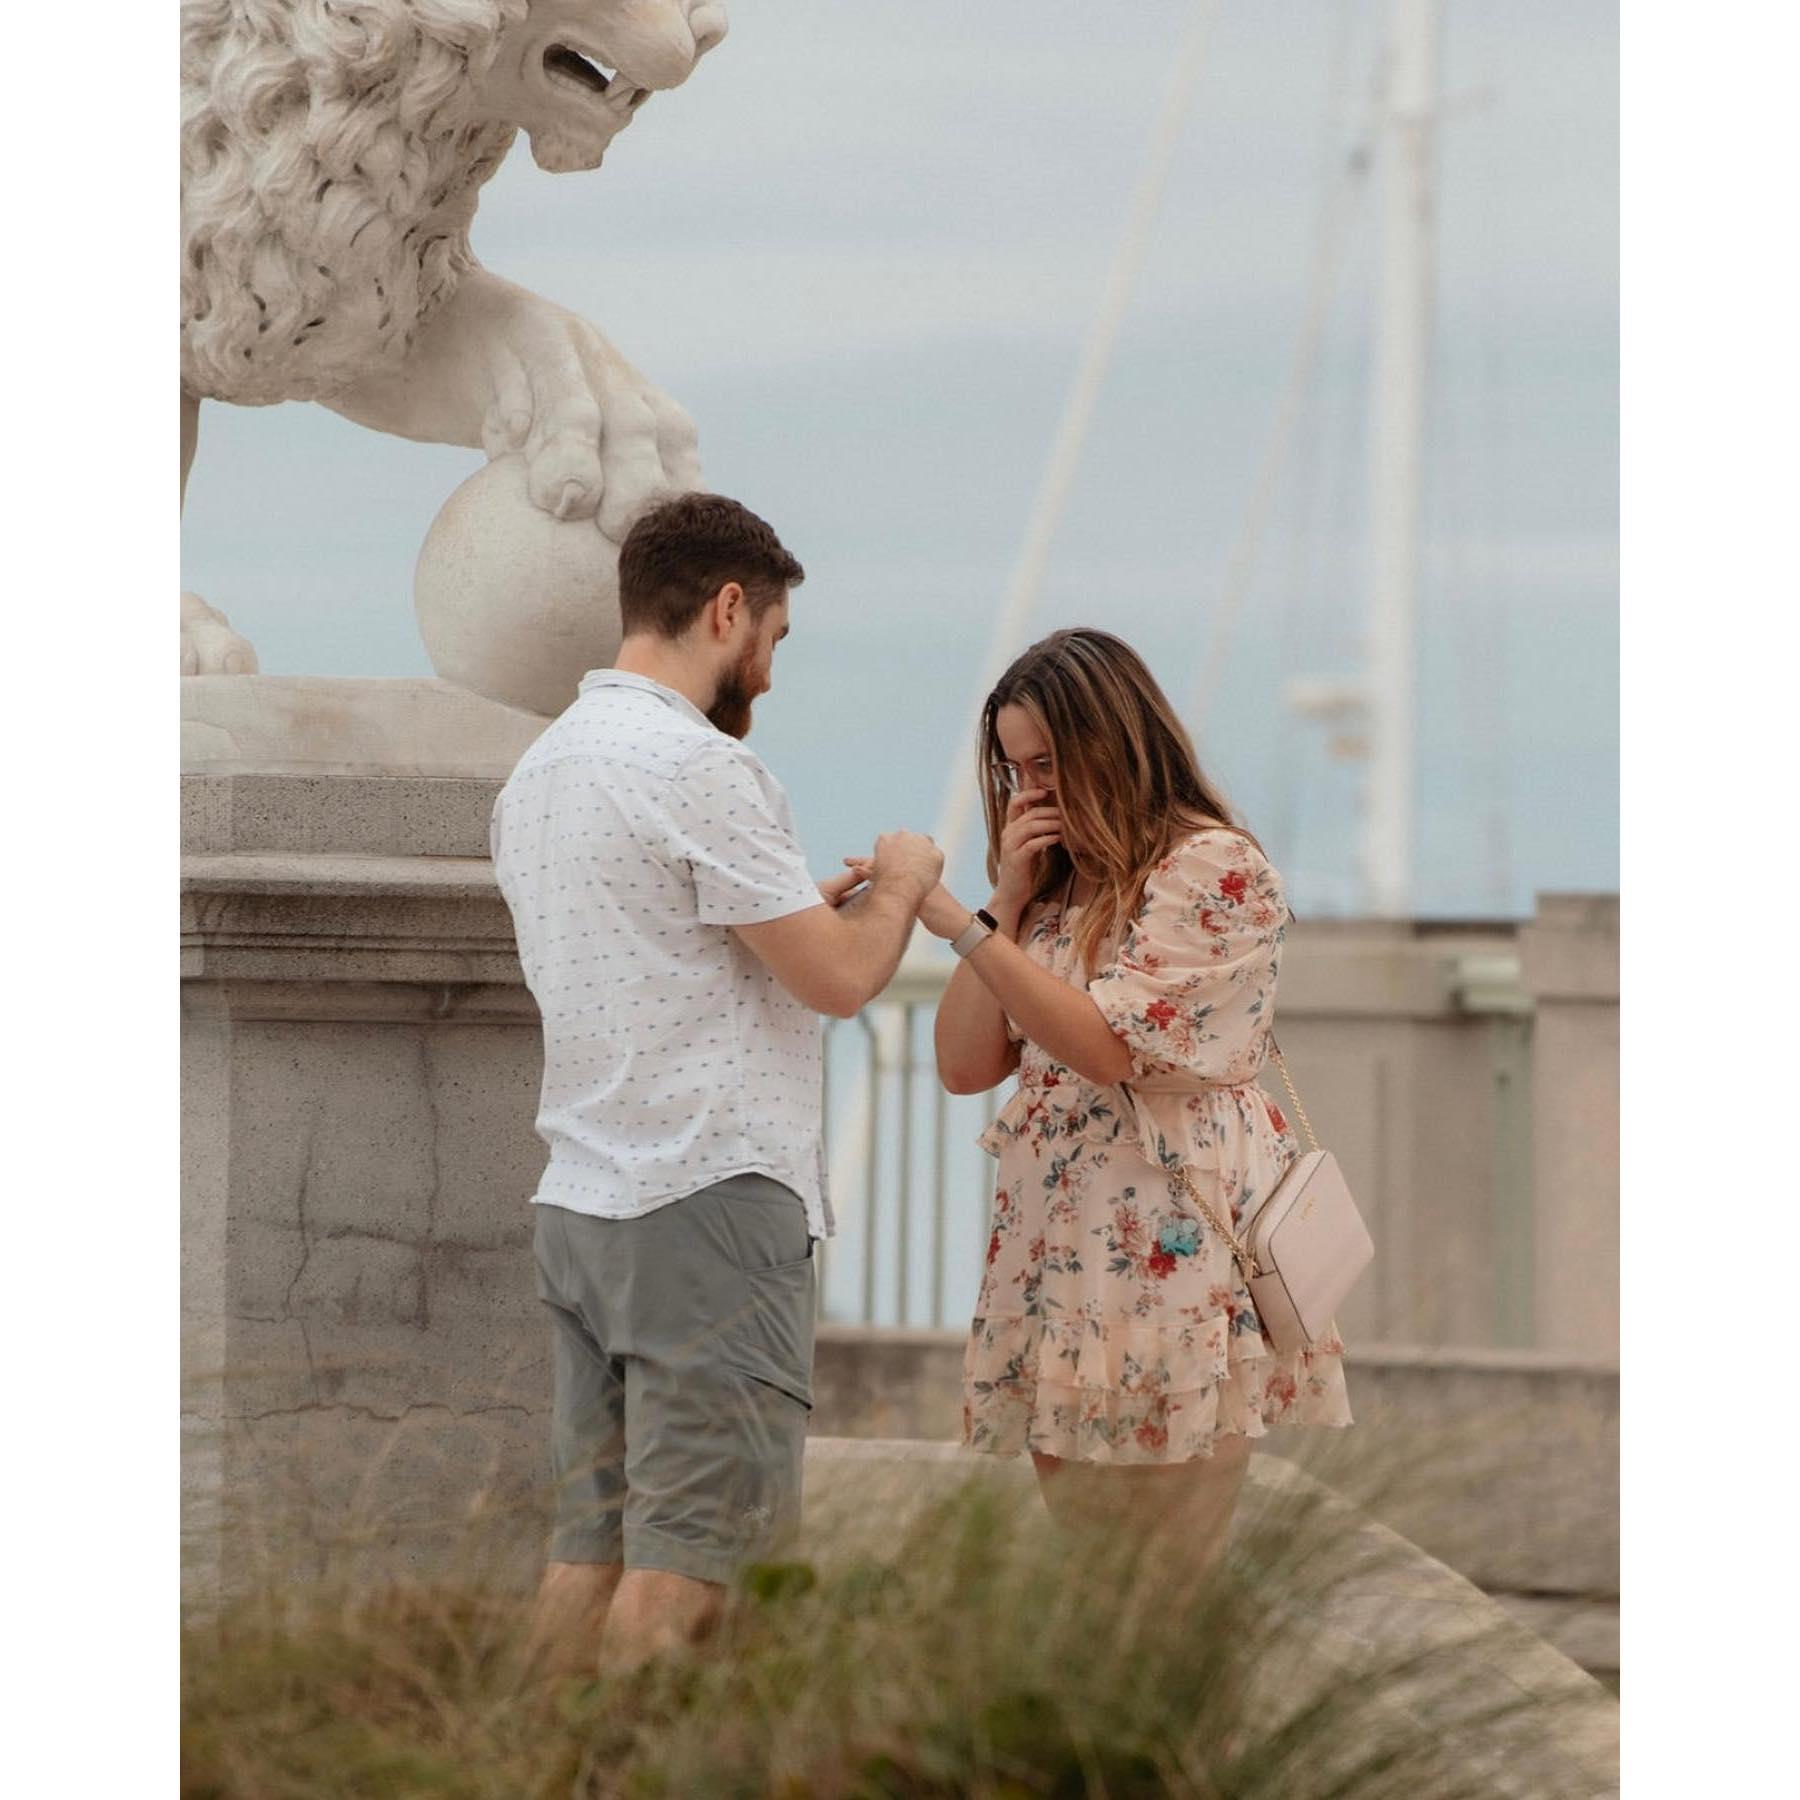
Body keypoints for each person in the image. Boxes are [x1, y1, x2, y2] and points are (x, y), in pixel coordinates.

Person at [490, 492, 943, 1675]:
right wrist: (902, 883)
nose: (771, 677)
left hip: (584, 1204)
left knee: (589, 1556)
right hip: (704, 1204)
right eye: (774, 639)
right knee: (694, 1570)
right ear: (729, 608)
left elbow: (668, 945)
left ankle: (511, 1757)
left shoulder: (538, 773)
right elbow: (841, 980)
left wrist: (801, 910)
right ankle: (628, 1760)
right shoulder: (700, 767)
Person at [907, 627, 1352, 1564]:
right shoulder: (1057, 886)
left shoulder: (1212, 868)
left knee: (1165, 1572)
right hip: (1061, 1242)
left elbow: (1109, 1049)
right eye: (1016, 771)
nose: (1032, 791)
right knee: (1089, 1569)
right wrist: (1004, 904)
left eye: (1049, 763)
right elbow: (963, 1065)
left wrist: (959, 930)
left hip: (1168, 1233)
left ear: (1113, 739)